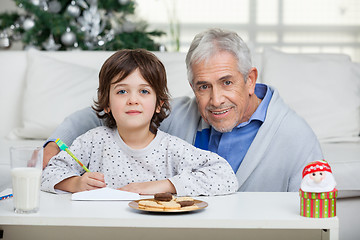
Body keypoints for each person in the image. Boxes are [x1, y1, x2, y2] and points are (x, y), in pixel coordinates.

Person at [43, 28, 323, 192]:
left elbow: (316, 217)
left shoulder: (294, 135)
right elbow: (98, 115)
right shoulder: (167, 112)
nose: (216, 100)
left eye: (227, 82)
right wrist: (54, 146)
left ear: (250, 79)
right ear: (191, 86)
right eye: (203, 86)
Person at [41, 49, 238, 196]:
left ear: (159, 104)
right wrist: (75, 183)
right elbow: (48, 174)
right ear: (107, 103)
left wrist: (161, 186)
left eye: (144, 91)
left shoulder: (172, 148)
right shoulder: (93, 141)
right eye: (121, 91)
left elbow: (226, 177)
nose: (132, 100)